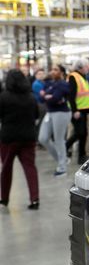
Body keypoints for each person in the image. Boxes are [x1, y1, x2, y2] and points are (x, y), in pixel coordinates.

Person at [0, 69, 39, 209]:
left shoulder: (3, 97)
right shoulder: (31, 97)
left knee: (6, 168)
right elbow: (36, 115)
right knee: (30, 168)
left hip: (9, 139)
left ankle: (4, 199)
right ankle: (35, 199)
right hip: (29, 137)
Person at [38, 65, 71, 176]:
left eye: (55, 70)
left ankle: (62, 168)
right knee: (43, 138)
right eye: (52, 69)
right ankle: (63, 159)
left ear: (61, 72)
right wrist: (49, 96)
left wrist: (48, 96)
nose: (52, 71)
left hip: (61, 113)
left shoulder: (63, 84)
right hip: (50, 113)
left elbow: (55, 98)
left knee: (59, 140)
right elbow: (41, 98)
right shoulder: (51, 84)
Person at [64, 59, 89, 164]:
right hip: (78, 111)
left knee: (84, 134)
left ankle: (81, 157)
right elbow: (71, 96)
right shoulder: (73, 77)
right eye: (86, 66)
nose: (88, 68)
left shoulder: (83, 77)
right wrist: (75, 110)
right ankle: (65, 147)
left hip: (84, 110)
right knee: (80, 133)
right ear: (80, 67)